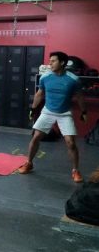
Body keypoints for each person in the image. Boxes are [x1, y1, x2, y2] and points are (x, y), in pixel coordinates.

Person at [18, 51, 87, 183]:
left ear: (62, 63)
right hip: (48, 111)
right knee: (35, 137)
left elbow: (79, 97)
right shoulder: (45, 77)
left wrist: (84, 112)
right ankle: (29, 163)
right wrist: (33, 109)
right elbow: (39, 94)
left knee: (71, 143)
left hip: (65, 113)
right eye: (50, 61)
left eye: (53, 61)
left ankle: (75, 170)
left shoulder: (73, 79)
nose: (50, 63)